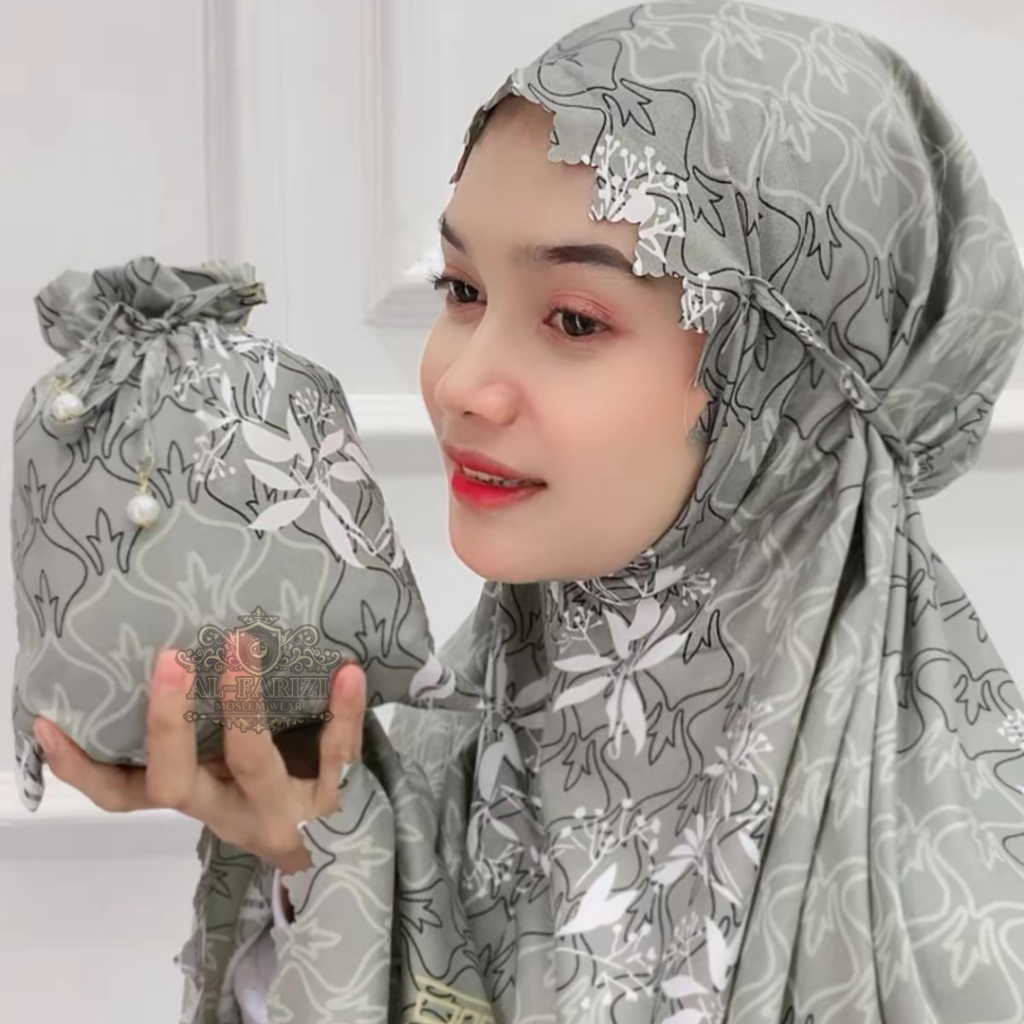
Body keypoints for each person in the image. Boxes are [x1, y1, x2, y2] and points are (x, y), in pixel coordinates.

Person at [30, 0, 1024, 1021]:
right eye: (462, 289)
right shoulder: (423, 770)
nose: (461, 383)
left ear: (783, 390)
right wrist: (314, 859)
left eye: (574, 319)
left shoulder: (954, 915)